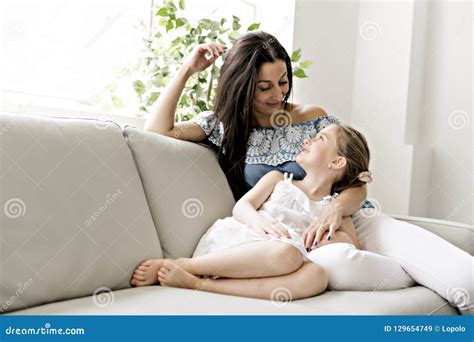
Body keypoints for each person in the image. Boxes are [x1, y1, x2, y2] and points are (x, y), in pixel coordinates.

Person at [143, 31, 473, 314]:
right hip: (299, 240)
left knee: (463, 278)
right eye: (264, 88)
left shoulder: (312, 117)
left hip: (349, 218)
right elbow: (156, 134)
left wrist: (335, 210)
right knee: (334, 268)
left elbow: (356, 182)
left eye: (283, 82)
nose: (278, 95)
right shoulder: (223, 126)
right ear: (242, 86)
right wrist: (187, 70)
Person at [131, 124, 413, 299]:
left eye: (319, 140)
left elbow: (352, 249)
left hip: (277, 266)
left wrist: (335, 236)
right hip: (239, 244)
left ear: (337, 162)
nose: (308, 141)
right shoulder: (279, 180)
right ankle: (186, 265)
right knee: (286, 253)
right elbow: (242, 206)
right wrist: (259, 223)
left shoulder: (335, 210)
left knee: (316, 277)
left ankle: (198, 285)